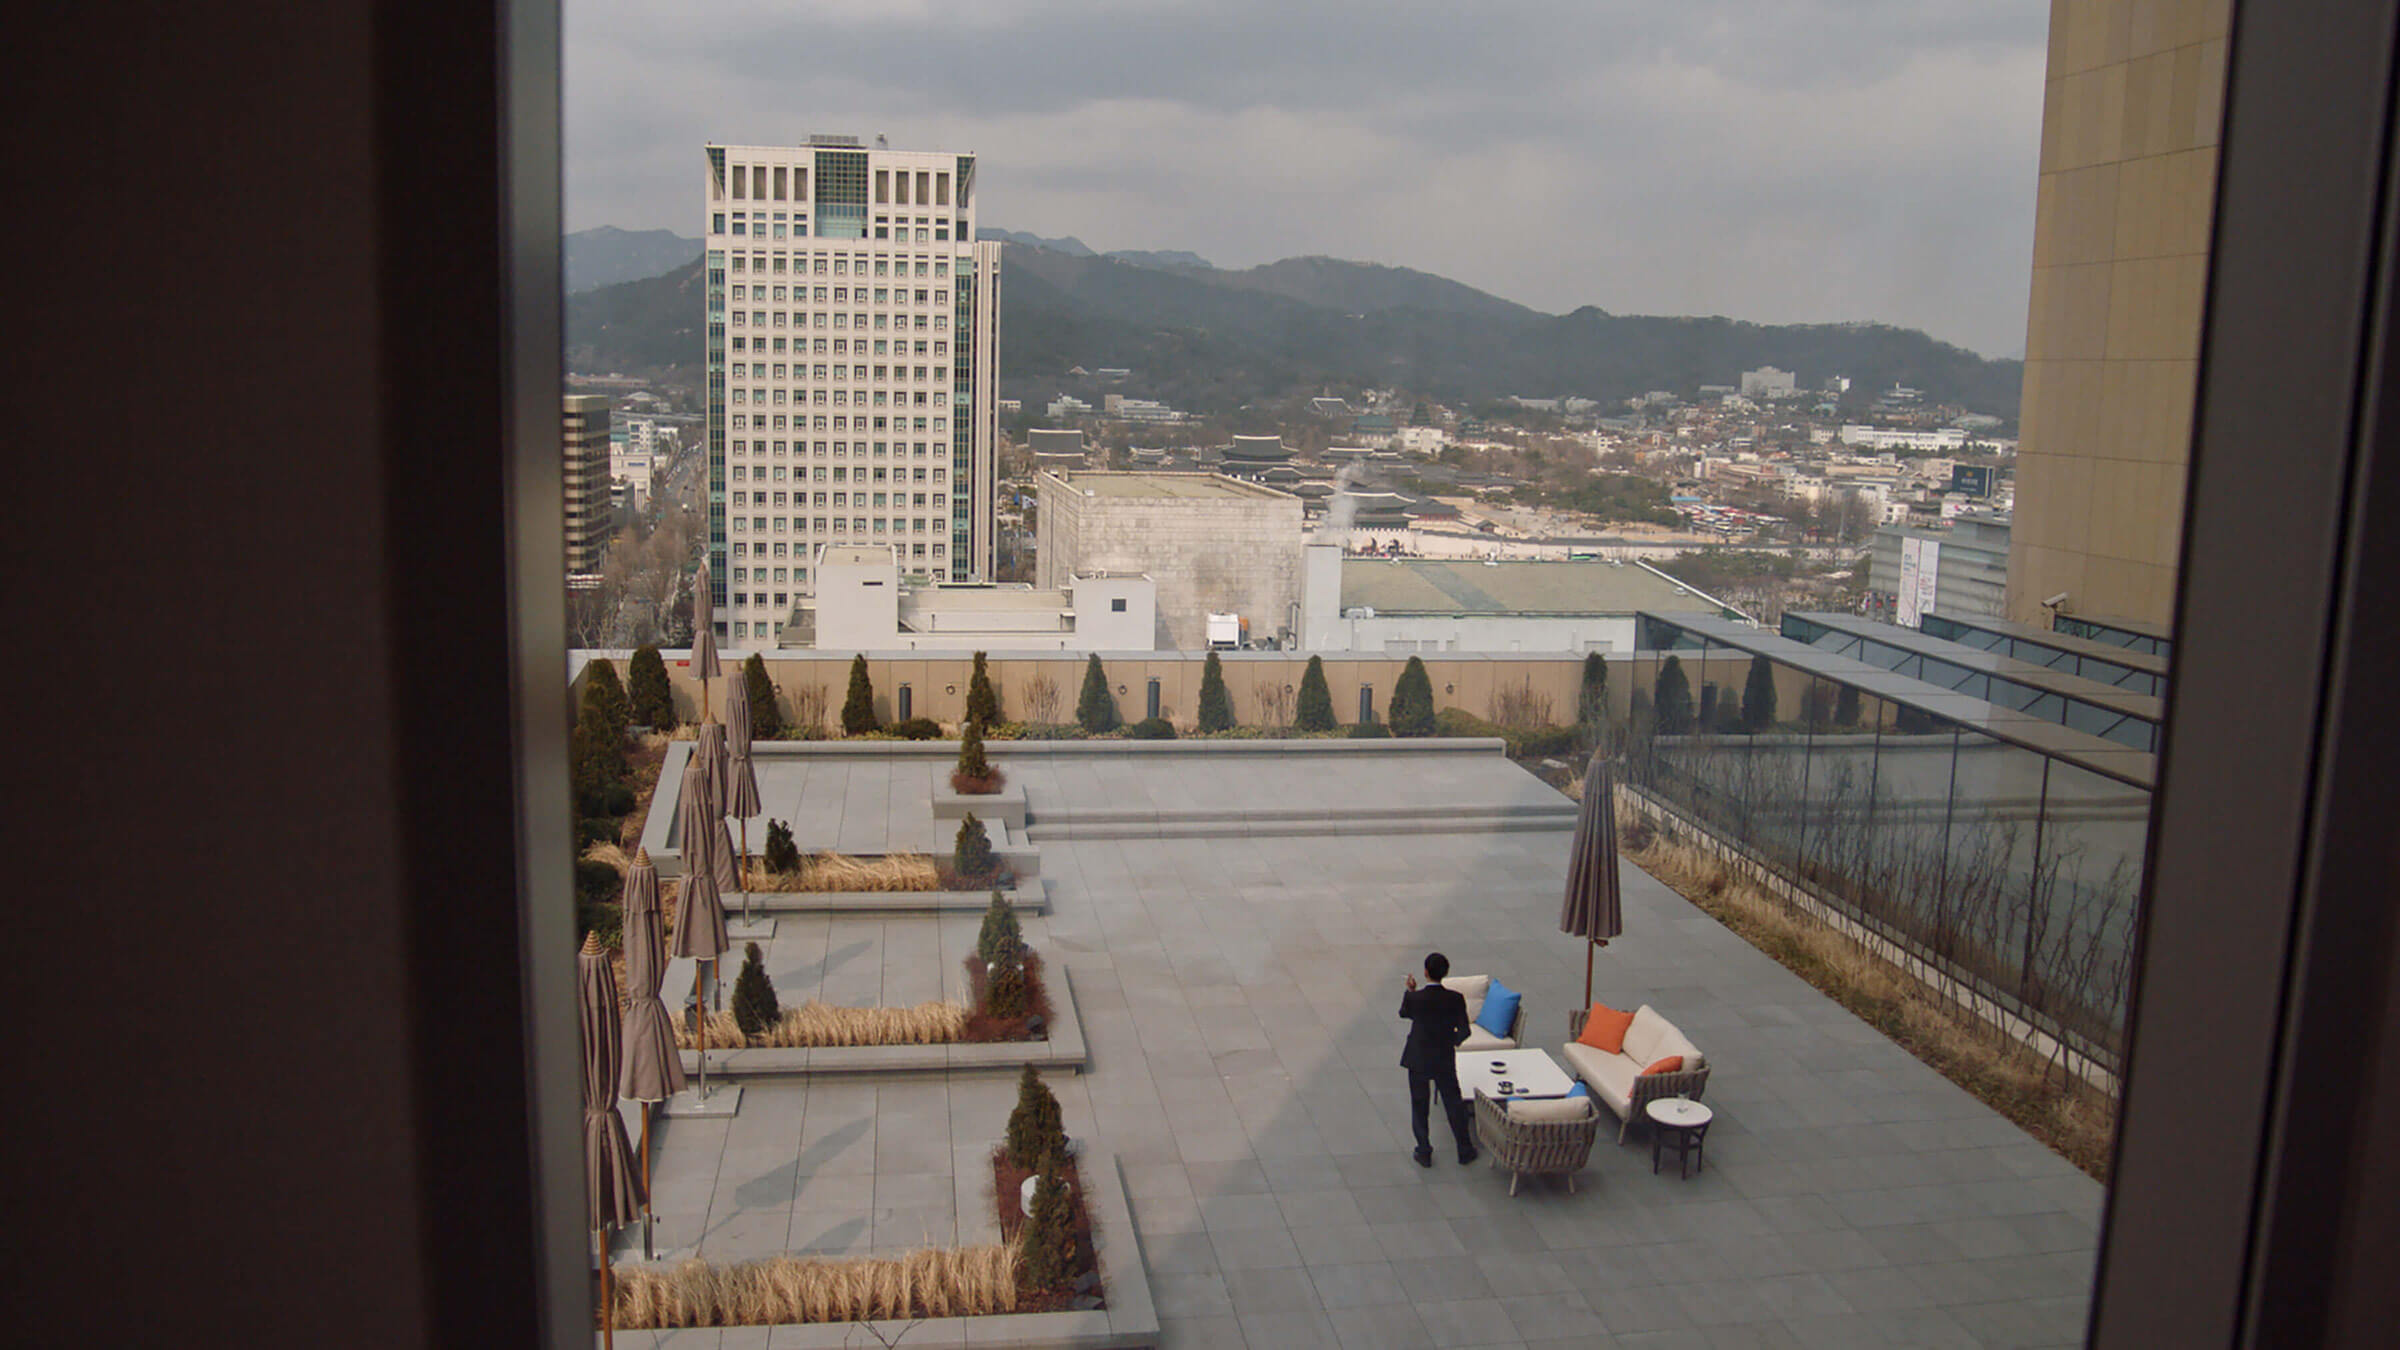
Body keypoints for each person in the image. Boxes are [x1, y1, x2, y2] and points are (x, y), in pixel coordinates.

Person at [1398, 951, 1479, 1168]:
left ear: (1425, 972)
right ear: (1445, 973)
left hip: (1418, 1057)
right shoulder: (1455, 999)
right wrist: (1450, 1042)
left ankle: (1424, 1151)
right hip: (1443, 1058)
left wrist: (1410, 991)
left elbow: (1404, 1013)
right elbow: (1464, 1031)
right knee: (1454, 1103)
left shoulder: (1416, 998)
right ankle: (1464, 1149)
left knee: (1419, 1106)